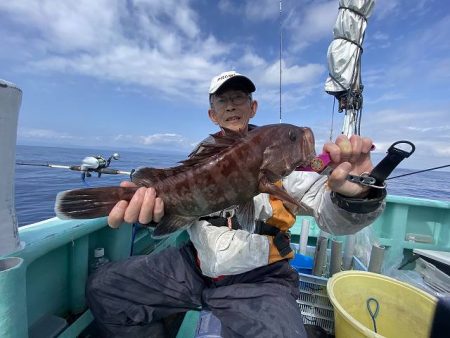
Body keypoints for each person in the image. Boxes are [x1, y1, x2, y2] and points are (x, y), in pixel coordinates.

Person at [86, 71, 386, 338]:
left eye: (238, 98)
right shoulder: (200, 156)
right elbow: (179, 208)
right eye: (222, 101)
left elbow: (331, 216)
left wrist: (356, 194)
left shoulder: (289, 161)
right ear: (212, 114)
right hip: (195, 265)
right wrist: (152, 215)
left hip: (259, 278)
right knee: (105, 287)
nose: (230, 106)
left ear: (252, 107)